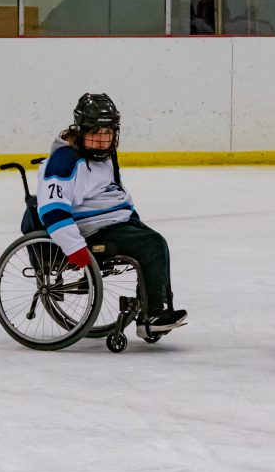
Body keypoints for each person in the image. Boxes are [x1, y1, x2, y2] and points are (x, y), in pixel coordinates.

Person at [34, 93, 186, 334]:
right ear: (81, 130)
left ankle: (154, 310)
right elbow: (52, 210)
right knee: (152, 244)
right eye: (96, 134)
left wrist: (133, 219)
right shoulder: (64, 160)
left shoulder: (106, 156)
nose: (103, 141)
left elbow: (115, 193)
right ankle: (152, 316)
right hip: (90, 231)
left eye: (108, 134)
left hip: (112, 223)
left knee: (156, 243)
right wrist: (74, 247)